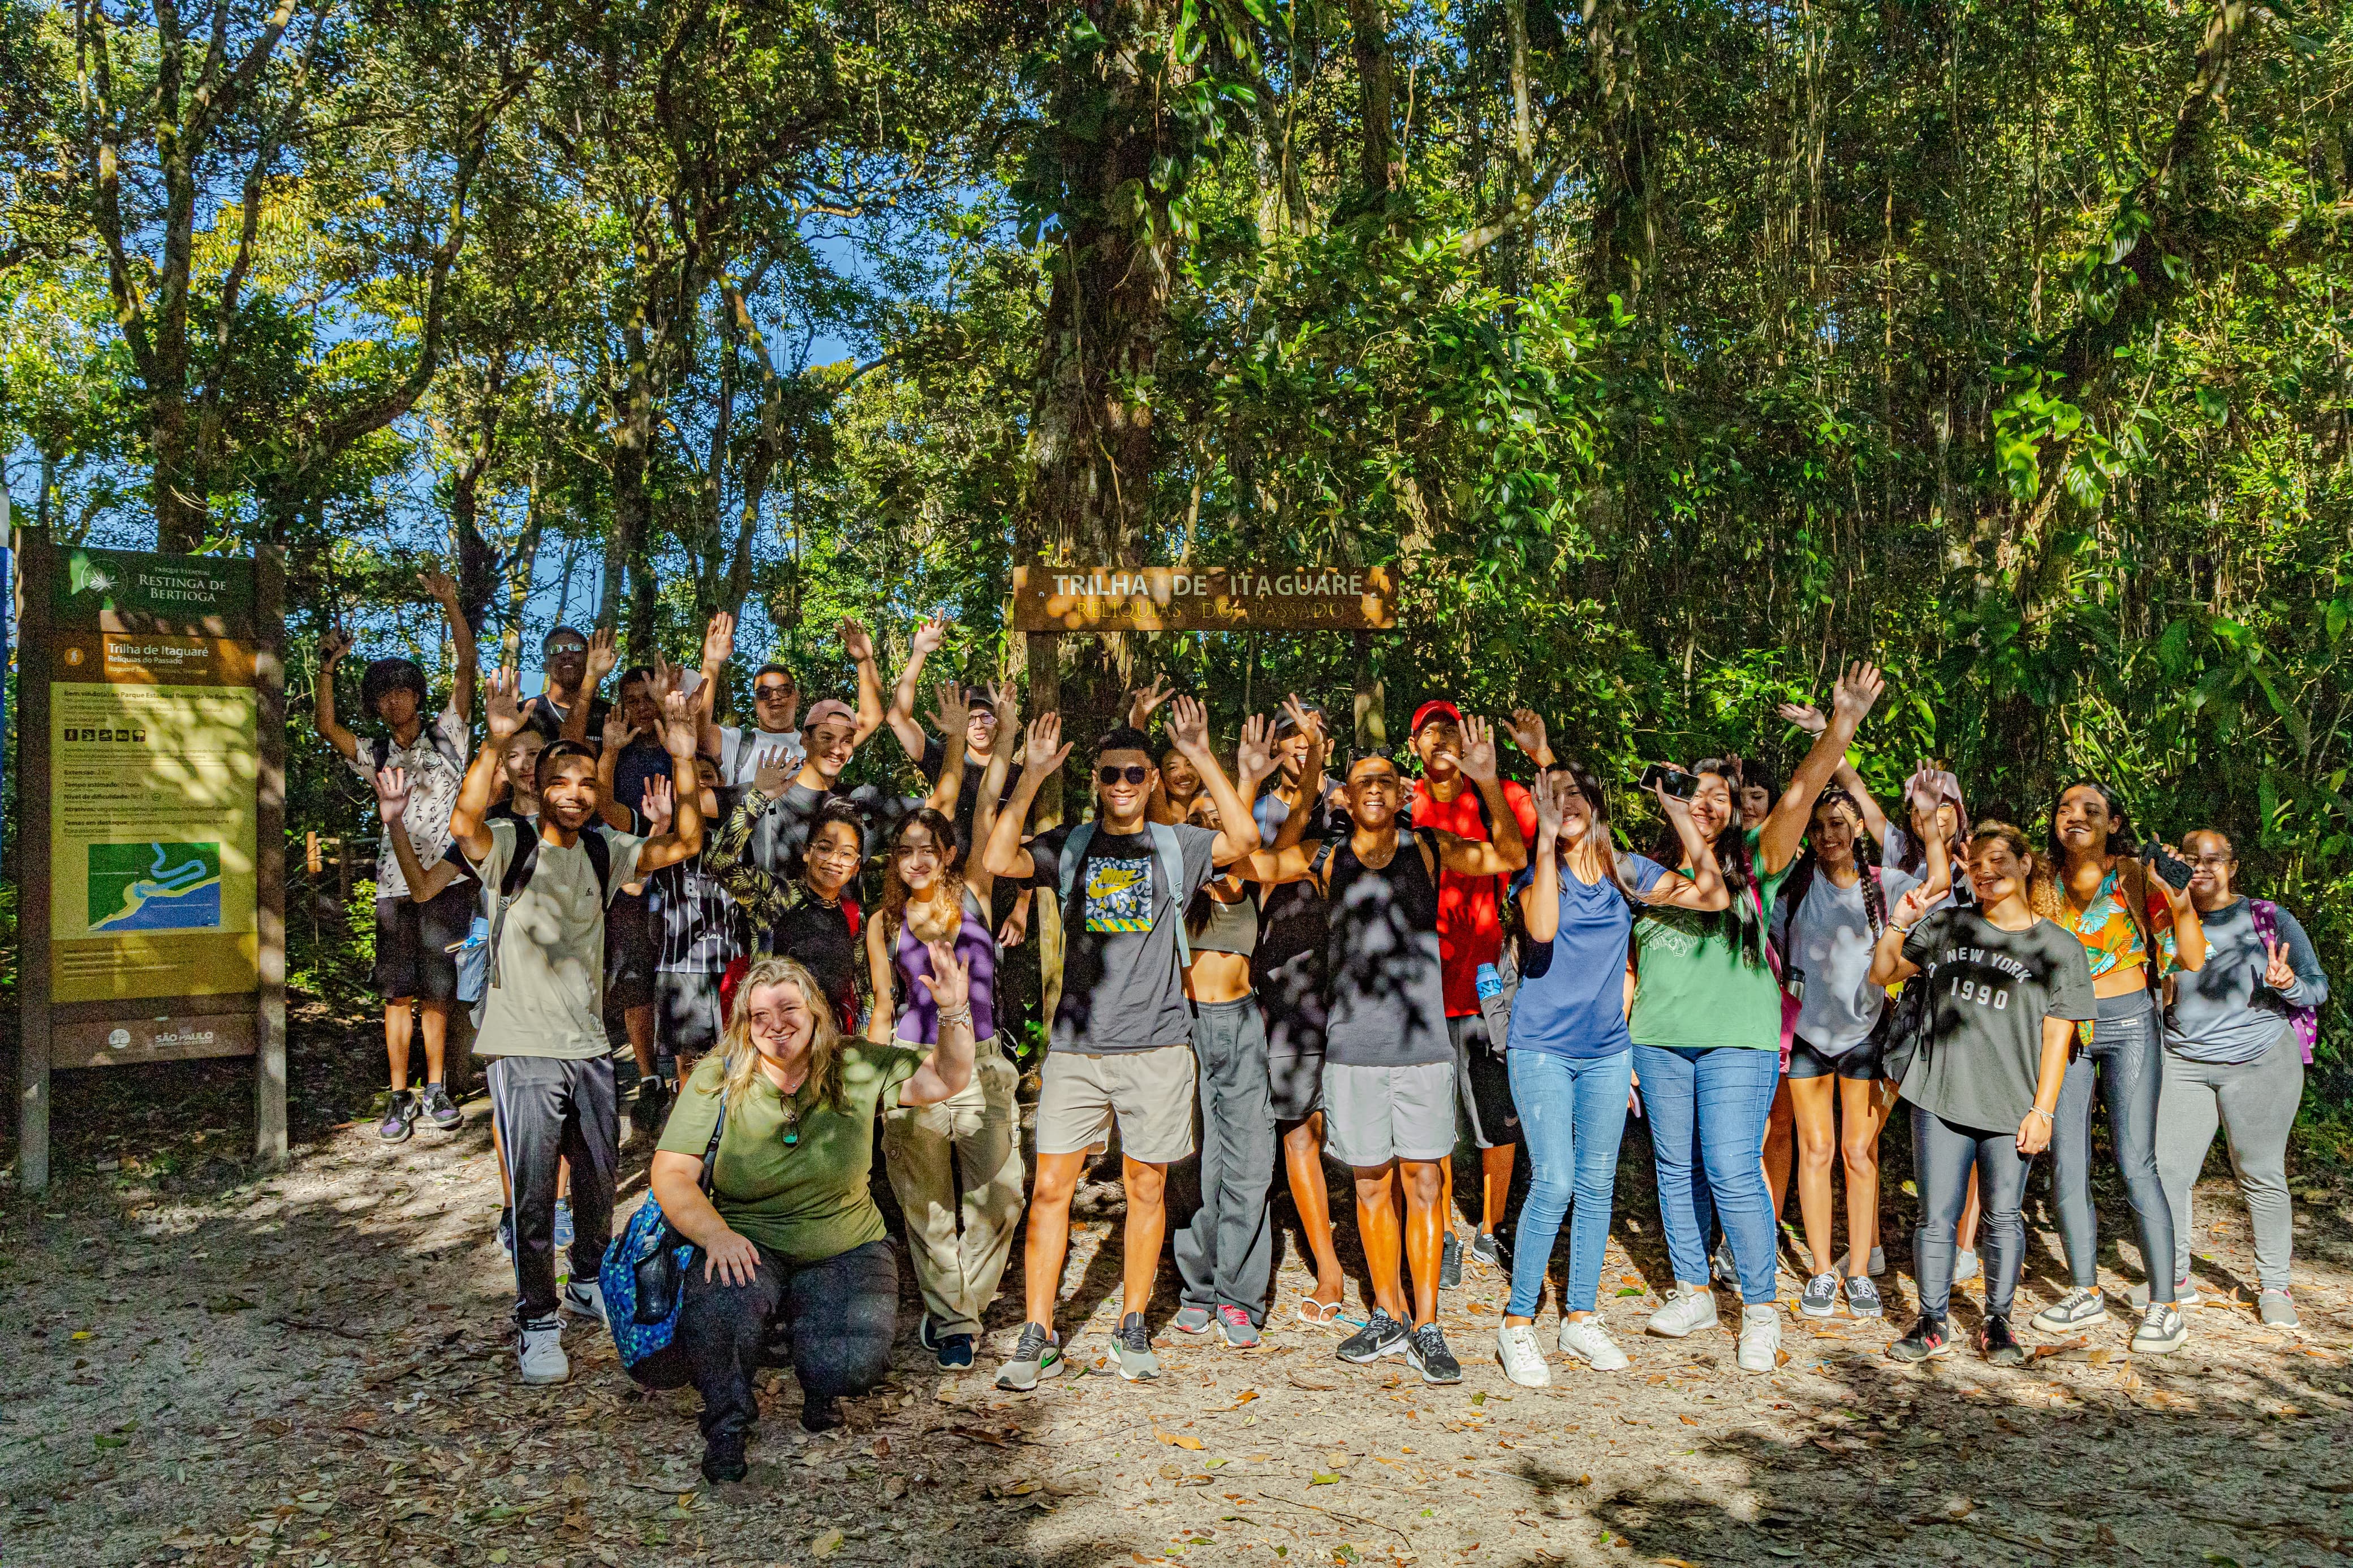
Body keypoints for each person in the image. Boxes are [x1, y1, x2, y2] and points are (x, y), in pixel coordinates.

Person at [982, 699, 1268, 1389]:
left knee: (1147, 1187)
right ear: (1095, 779)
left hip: (1157, 1045)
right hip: (1078, 1047)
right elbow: (996, 857)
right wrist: (1029, 775)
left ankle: (1131, 1323)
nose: (1122, 783)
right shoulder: (1071, 844)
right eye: (1110, 772)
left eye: (1134, 772)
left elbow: (1242, 836)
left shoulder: (1177, 845)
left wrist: (1200, 754)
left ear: (1147, 779)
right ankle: (1037, 1331)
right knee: (1050, 1187)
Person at [447, 667, 706, 1385]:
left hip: (589, 1047)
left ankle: (586, 1278)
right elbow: (461, 827)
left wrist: (683, 752)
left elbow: (683, 843)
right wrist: (494, 745)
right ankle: (535, 1318)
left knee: (597, 1178)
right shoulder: (510, 840)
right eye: (564, 781)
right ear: (542, 786)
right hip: (522, 1047)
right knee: (535, 1193)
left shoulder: (604, 847)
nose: (576, 793)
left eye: (588, 784)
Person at [1247, 720, 1526, 1385]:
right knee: (1371, 1185)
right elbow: (1250, 861)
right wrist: (1298, 775)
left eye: (1384, 780)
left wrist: (1486, 780)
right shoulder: (1322, 856)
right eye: (1360, 780)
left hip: (1421, 1046)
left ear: (1401, 792)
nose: (1373, 789)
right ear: (1345, 794)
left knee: (1423, 1183)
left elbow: (1508, 854)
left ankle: (1427, 1324)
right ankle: (1389, 1314)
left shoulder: (1427, 847)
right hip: (1349, 1051)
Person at [1630, 662, 1884, 1375]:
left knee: (1732, 1166)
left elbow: (1802, 792)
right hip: (1658, 1038)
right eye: (1692, 793)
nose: (1706, 804)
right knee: (1673, 1168)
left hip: (1737, 1039)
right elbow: (1624, 960)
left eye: (1718, 795)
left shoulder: (1755, 858)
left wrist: (1841, 725)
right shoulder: (1646, 869)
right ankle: (1691, 1290)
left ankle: (1760, 1307)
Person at [648, 949, 976, 1481]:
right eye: (760, 1017)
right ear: (745, 1022)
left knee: (850, 1366)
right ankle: (727, 1422)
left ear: (817, 1013)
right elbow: (671, 1172)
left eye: (790, 1011)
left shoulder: (856, 1064)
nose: (776, 1027)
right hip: (748, 1239)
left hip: (844, 1241)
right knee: (719, 1306)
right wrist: (716, 1235)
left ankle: (818, 1378)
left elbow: (946, 1079)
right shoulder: (721, 1075)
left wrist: (955, 1012)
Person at [1493, 760, 1727, 1386]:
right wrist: (1543, 837)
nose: (1564, 803)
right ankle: (1517, 1324)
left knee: (1597, 1186)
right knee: (1555, 1180)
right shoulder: (1534, 870)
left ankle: (1580, 1317)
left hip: (1605, 1051)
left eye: (1575, 794)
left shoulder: (1627, 872)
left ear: (1595, 802)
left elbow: (1714, 894)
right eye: (1552, 795)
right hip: (1540, 1046)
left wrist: (1677, 811)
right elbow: (1540, 928)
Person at [1869, 822, 2092, 1364]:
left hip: (2011, 1104)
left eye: (1999, 860)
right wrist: (1900, 920)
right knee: (1934, 1215)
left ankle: (1998, 1321)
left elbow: (2058, 1035)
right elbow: (1883, 972)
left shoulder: (2058, 947)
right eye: (1977, 862)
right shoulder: (1948, 926)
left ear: (2025, 864)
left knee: (2003, 1216)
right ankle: (1931, 1320)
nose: (1987, 871)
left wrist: (2043, 1109)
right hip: (1939, 1093)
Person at [2025, 782, 2207, 1354]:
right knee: (2067, 1161)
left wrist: (2175, 897)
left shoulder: (2133, 873)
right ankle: (2083, 1289)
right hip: (2065, 1029)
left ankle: (2164, 1304)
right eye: (2063, 809)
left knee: (2135, 1163)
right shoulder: (2040, 882)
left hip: (2129, 1024)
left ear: (2113, 822)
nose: (2073, 817)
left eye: (2089, 810)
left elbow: (2191, 956)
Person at [863, 731, 1023, 1372]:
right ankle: (956, 1323)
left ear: (948, 853)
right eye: (905, 850)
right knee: (926, 1204)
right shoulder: (884, 923)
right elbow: (882, 1004)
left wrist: (1011, 747)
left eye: (928, 848)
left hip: (982, 1061)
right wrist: (872, 1087)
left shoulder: (975, 891)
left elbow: (989, 801)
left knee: (1001, 1194)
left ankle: (956, 1307)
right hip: (913, 1063)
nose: (916, 859)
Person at [1770, 787, 1950, 1321]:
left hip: (1866, 1035)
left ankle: (1859, 1272)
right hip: (1806, 1035)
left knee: (1858, 1153)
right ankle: (1823, 1270)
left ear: (1857, 832)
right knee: (1816, 1151)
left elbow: (1939, 885)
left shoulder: (1885, 885)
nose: (1829, 835)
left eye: (1840, 824)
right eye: (1820, 825)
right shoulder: (1795, 887)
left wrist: (1927, 820)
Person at [313, 569, 478, 1142]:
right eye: (383, 693)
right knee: (396, 992)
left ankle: (436, 1087)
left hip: (448, 882)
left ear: (416, 694)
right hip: (392, 886)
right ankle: (399, 1092)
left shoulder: (447, 738)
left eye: (402, 688)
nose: (394, 699)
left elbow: (464, 668)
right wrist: (328, 666)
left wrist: (450, 603)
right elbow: (326, 725)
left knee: (439, 988)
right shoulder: (376, 752)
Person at [2153, 830, 2328, 1328]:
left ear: (2233, 866)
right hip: (2184, 1061)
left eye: (2214, 860)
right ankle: (2175, 1277)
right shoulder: (2163, 913)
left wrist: (2288, 983)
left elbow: (2317, 988)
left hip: (2259, 1062)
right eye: (2192, 860)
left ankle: (2275, 1285)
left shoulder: (2270, 919)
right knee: (2169, 1171)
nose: (2203, 868)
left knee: (2260, 1171)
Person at [1170, 714, 1294, 1347]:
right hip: (1184, 1026)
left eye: (1216, 816)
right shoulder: (1173, 879)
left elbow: (1257, 838)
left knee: (1248, 1161)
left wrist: (1244, 775)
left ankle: (1239, 1296)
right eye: (1201, 816)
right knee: (1195, 1164)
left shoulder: (1248, 879)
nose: (1211, 823)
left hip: (1241, 1023)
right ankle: (1197, 1286)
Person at [1408, 699, 1542, 1285]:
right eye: (1427, 732)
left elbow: (1537, 829)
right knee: (1431, 1122)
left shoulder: (1498, 795)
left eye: (1449, 730)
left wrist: (1497, 774)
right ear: (1413, 744)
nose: (1439, 739)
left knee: (1497, 1119)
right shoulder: (1400, 800)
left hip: (1487, 986)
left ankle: (1489, 1228)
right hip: (1418, 989)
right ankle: (1438, 1229)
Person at [1250, 702, 1351, 1321]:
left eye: (1312, 740)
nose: (1300, 748)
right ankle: (1330, 1272)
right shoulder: (1257, 809)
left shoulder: (1359, 801)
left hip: (1357, 992)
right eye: (1290, 739)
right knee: (1300, 1131)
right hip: (1284, 992)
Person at [518, 625, 617, 742]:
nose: (566, 655)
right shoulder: (523, 713)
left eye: (575, 648)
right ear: (545, 667)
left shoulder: (612, 715)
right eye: (555, 650)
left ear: (588, 659)